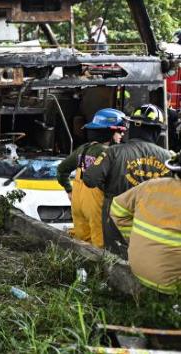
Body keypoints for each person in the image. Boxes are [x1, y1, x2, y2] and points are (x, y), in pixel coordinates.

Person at [83, 104, 174, 257]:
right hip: (153, 218)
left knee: (115, 260)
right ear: (158, 132)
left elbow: (90, 179)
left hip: (115, 217)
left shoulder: (113, 152)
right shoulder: (170, 158)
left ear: (132, 127)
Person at [56, 108, 127, 248]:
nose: (122, 134)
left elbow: (61, 170)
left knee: (81, 243)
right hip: (95, 207)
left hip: (77, 203)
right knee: (100, 247)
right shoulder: (110, 153)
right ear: (109, 132)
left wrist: (69, 190)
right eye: (119, 131)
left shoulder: (83, 149)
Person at [111, 153, 181, 293]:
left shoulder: (150, 185)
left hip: (139, 270)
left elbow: (117, 208)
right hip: (172, 285)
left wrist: (133, 238)